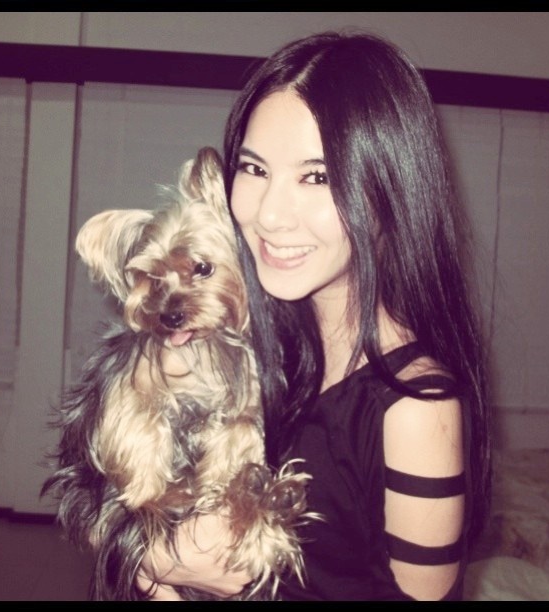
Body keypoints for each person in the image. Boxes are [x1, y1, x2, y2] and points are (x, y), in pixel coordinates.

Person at [137, 30, 491, 601]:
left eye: (317, 177)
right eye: (254, 169)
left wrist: (160, 566)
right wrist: (152, 559)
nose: (270, 214)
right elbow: (108, 501)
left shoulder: (417, 409)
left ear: (391, 191)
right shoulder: (243, 342)